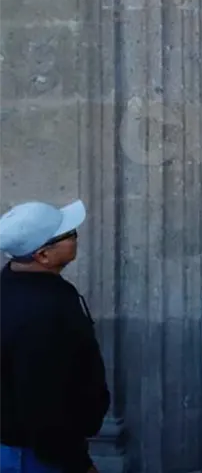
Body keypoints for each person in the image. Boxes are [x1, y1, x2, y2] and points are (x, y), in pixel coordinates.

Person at [0, 200, 110, 473]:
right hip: (36, 456)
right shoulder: (39, 314)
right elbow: (42, 403)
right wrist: (78, 463)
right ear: (43, 255)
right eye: (69, 234)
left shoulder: (16, 287)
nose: (76, 236)